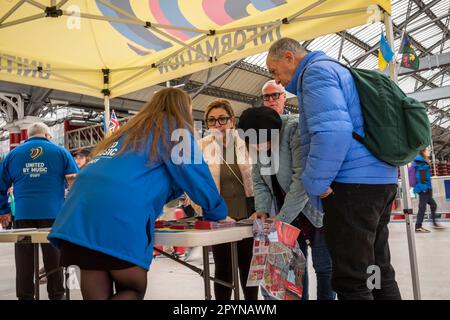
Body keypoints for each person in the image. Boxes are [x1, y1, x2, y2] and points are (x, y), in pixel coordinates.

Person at [47, 88, 229, 300]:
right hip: (117, 216)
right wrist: (217, 212)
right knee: (132, 289)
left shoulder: (129, 132)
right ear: (182, 109)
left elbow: (138, 176)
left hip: (78, 214)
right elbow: (197, 176)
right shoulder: (173, 128)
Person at [266, 38, 401, 300]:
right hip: (378, 181)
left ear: (289, 57)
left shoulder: (315, 74)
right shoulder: (335, 69)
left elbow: (332, 133)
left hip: (353, 188)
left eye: (274, 71)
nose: (277, 79)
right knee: (376, 269)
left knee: (352, 279)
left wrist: (315, 183)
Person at [256, 80, 335, 300]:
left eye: (275, 95)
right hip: (286, 215)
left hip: (313, 211)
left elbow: (300, 181)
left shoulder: (295, 127)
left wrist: (281, 219)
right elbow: (259, 179)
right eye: (266, 97)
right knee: (295, 268)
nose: (271, 100)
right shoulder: (258, 134)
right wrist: (262, 208)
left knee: (324, 267)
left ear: (285, 98)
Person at [0, 122, 79, 300]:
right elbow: (75, 183)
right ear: (47, 135)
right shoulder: (60, 152)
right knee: (54, 259)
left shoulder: (13, 155)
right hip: (53, 216)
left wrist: (4, 210)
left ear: (28, 136)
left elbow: (0, 186)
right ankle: (56, 295)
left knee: (24, 261)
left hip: (23, 217)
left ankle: (25, 296)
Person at [189, 99, 258, 300]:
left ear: (232, 120)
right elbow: (193, 187)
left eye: (222, 119)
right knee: (223, 270)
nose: (217, 125)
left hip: (249, 217)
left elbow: (263, 180)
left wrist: (261, 209)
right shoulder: (200, 148)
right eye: (211, 121)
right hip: (219, 219)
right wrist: (207, 212)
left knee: (249, 270)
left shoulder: (248, 143)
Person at [413, 148, 445, 232]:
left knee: (433, 205)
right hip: (424, 188)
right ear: (423, 152)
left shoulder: (423, 161)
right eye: (427, 150)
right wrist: (424, 188)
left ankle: (434, 223)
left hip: (426, 188)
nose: (429, 152)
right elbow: (421, 176)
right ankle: (418, 226)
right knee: (422, 207)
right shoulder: (421, 162)